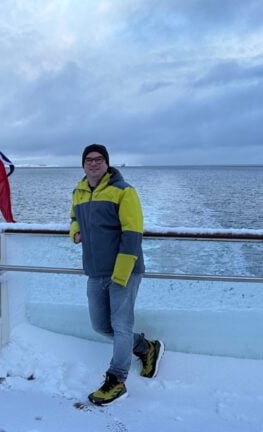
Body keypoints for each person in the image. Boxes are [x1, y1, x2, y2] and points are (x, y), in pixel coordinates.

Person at [69, 143, 164, 406]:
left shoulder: (124, 191)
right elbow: (73, 217)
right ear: (83, 164)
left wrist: (121, 274)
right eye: (89, 159)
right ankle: (147, 348)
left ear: (107, 163)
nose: (94, 163)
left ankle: (117, 380)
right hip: (95, 270)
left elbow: (133, 233)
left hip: (124, 271)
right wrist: (75, 230)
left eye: (99, 159)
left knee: (122, 325)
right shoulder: (78, 191)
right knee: (101, 325)